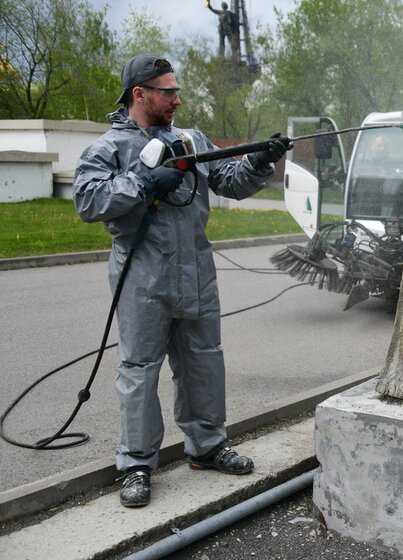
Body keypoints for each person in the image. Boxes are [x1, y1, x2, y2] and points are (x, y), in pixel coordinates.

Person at [73, 54, 290, 508]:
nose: (177, 98)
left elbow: (229, 182)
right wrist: (144, 182)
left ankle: (207, 447)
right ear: (140, 94)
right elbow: (89, 200)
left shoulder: (192, 140)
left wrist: (259, 161)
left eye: (176, 90)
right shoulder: (108, 148)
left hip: (197, 274)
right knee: (139, 370)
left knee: (203, 362)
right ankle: (136, 464)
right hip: (142, 278)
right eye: (167, 91)